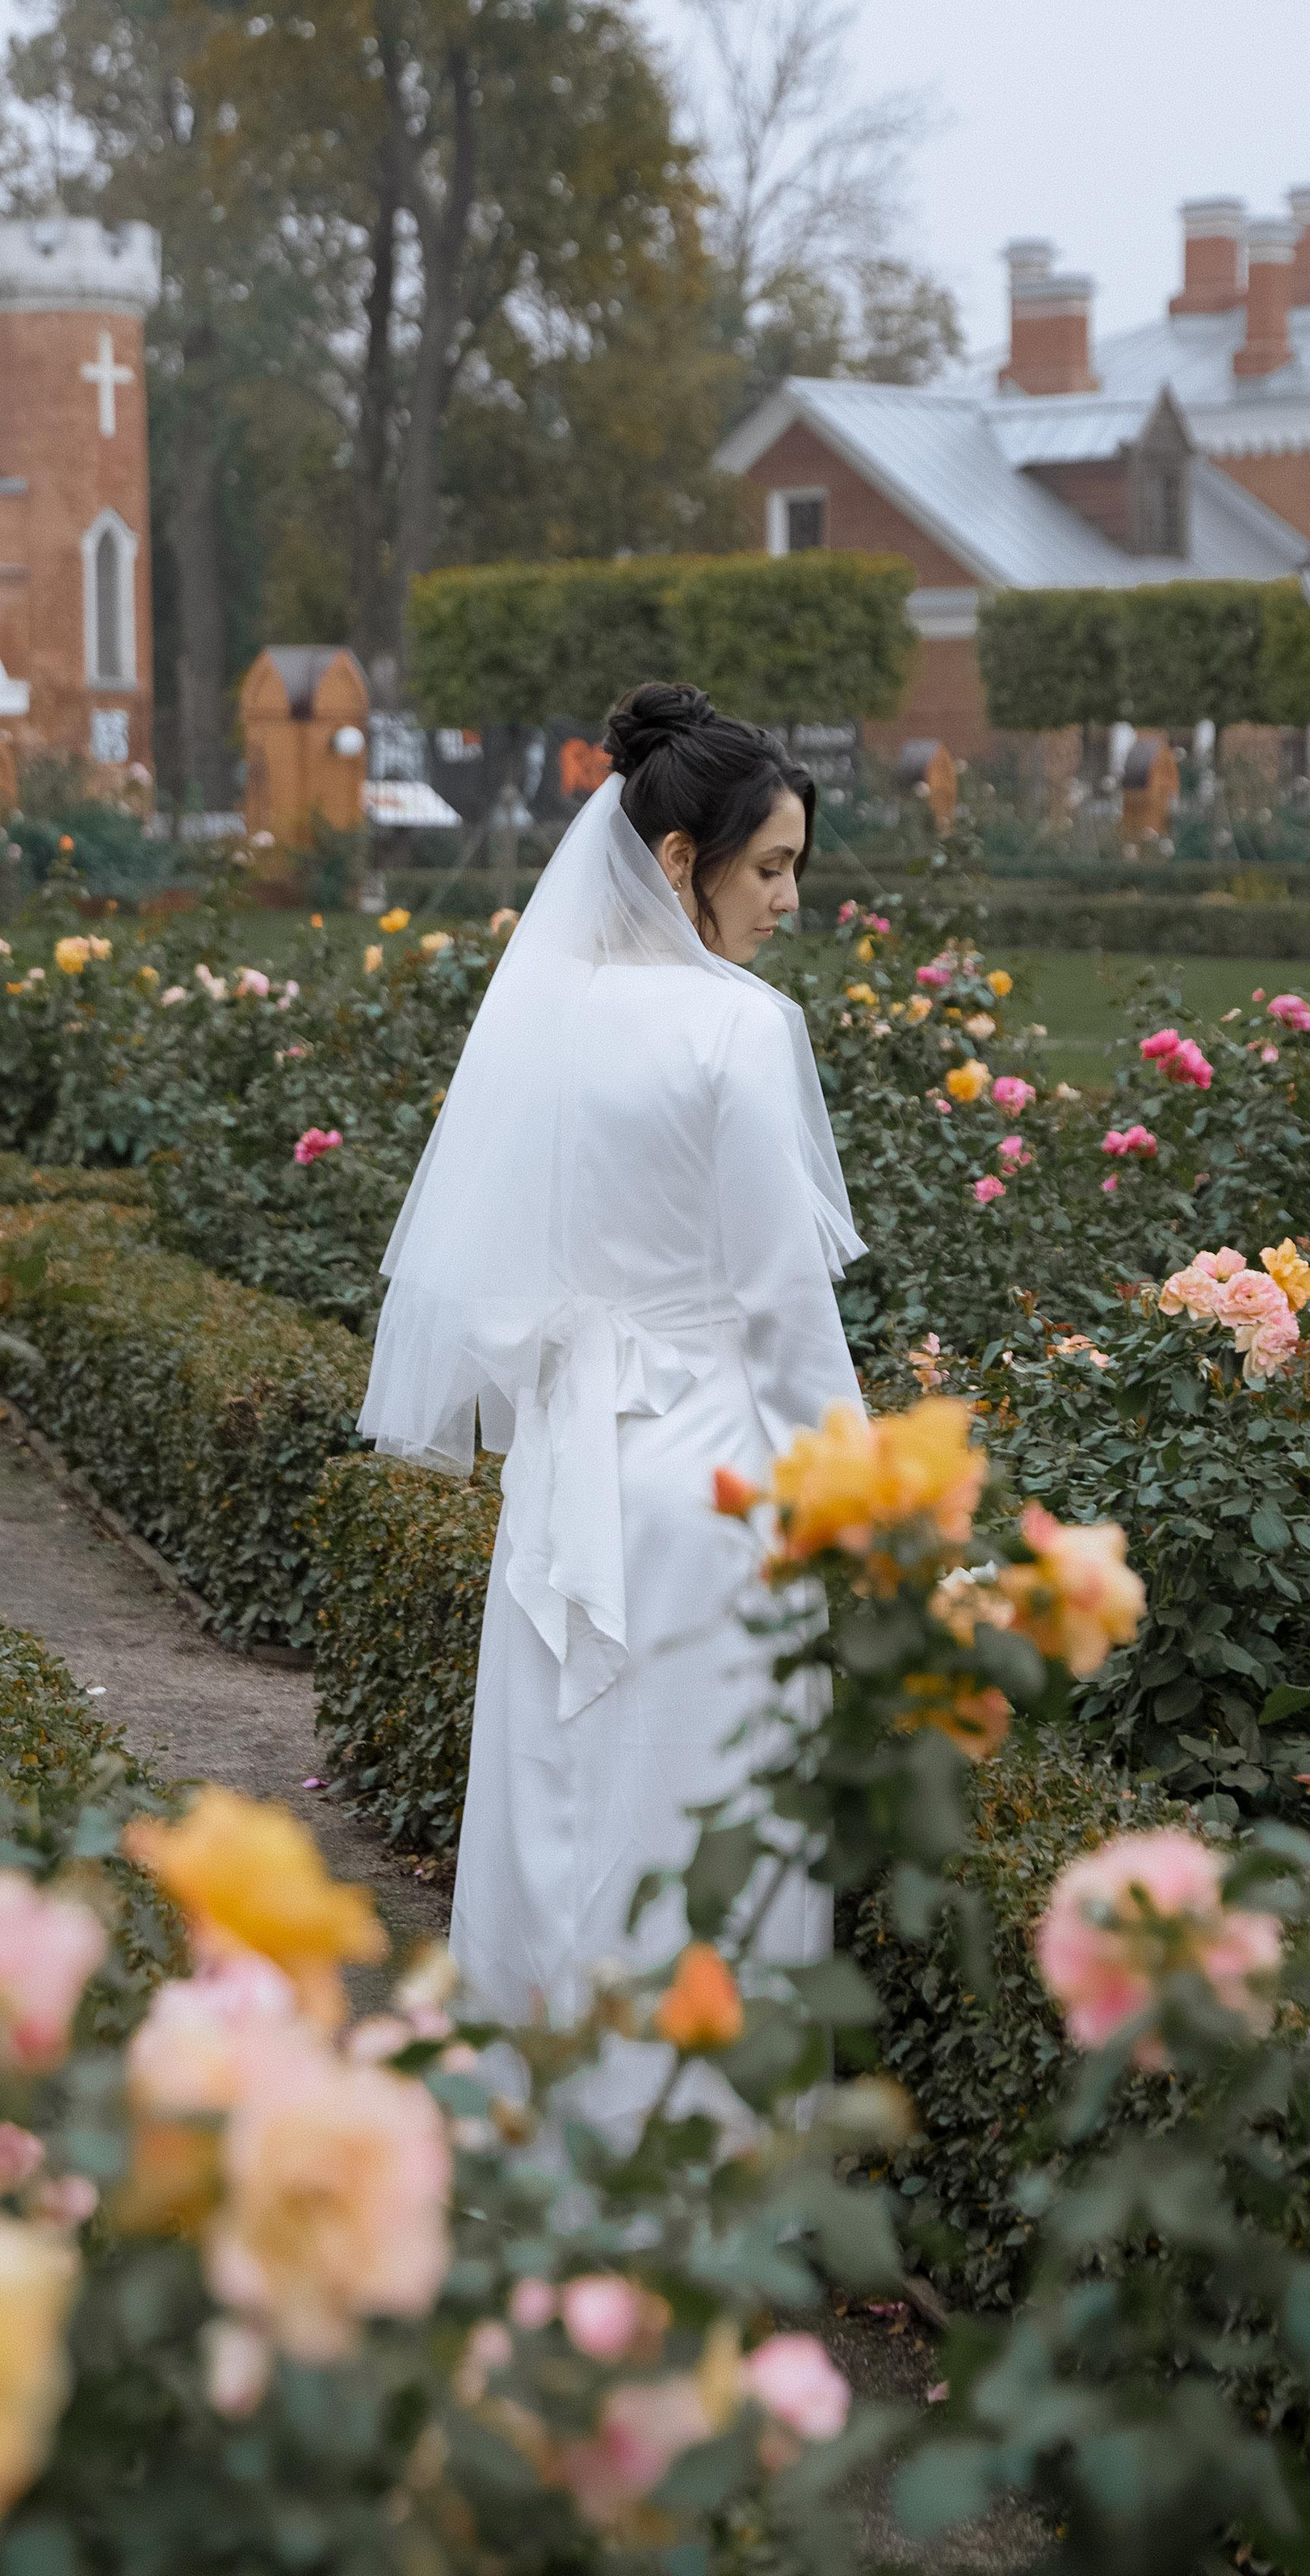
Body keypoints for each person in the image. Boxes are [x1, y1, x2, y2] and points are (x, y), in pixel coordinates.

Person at [359, 680, 866, 2032]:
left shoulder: (548, 1014)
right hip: (711, 1492)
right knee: (702, 1836)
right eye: (771, 868)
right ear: (680, 864)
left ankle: (540, 2147)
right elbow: (782, 1313)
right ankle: (698, 2171)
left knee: (556, 1817)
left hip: (567, 1485)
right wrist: (876, 1510)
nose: (790, 901)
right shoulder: (740, 1029)